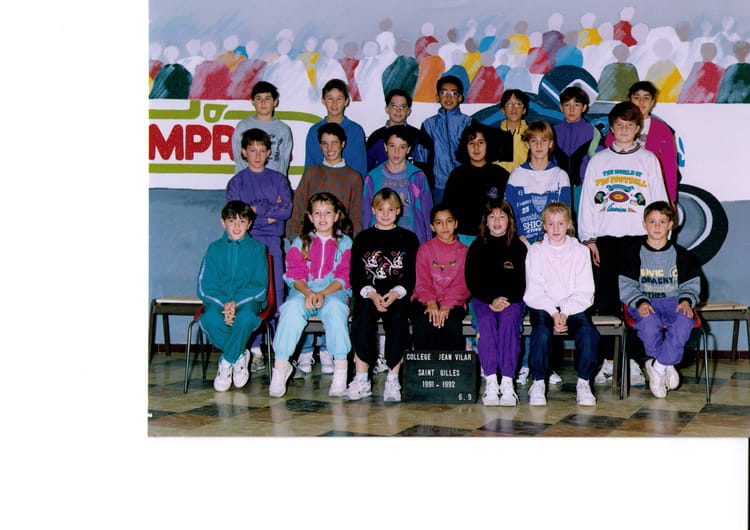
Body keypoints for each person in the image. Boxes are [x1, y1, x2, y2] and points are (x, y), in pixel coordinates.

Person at [579, 101, 669, 386]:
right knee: (605, 301)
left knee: (637, 302)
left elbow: (659, 202)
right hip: (605, 241)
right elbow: (587, 203)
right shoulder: (599, 161)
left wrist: (658, 239)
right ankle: (608, 361)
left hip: (638, 241)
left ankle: (633, 360)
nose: (624, 130)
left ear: (638, 128)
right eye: (619, 125)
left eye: (630, 125)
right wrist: (589, 240)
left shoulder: (648, 160)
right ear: (612, 128)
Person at [269, 193, 354, 398]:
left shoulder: (346, 243)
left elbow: (344, 274)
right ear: (310, 217)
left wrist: (323, 293)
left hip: (333, 291)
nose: (322, 217)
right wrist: (308, 292)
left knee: (336, 310)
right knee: (290, 309)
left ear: (336, 216)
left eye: (327, 213)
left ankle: (340, 370)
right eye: (317, 213)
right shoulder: (301, 242)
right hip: (304, 291)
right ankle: (280, 367)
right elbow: (294, 273)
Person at [619, 201, 701, 398]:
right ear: (644, 224)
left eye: (662, 222)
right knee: (649, 323)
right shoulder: (633, 253)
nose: (657, 226)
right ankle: (666, 363)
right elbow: (627, 284)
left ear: (670, 224)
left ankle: (658, 365)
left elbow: (691, 284)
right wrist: (641, 302)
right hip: (644, 302)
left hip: (674, 301)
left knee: (684, 321)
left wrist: (686, 301)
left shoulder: (682, 255)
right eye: (652, 221)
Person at [226, 128, 293, 371]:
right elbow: (237, 217)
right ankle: (254, 350)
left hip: (273, 245)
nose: (257, 155)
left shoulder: (278, 180)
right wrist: (269, 214)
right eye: (252, 150)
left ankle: (281, 350)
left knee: (278, 296)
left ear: (269, 153)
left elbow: (286, 210)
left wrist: (255, 211)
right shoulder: (236, 182)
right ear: (244, 152)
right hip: (246, 247)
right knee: (250, 296)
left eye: (262, 151)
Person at [345, 188, 420, 402]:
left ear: (398, 211)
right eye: (380, 209)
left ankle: (393, 378)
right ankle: (362, 378)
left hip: (397, 295)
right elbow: (356, 275)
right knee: (361, 319)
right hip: (369, 294)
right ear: (372, 210)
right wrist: (371, 294)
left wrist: (396, 293)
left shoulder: (409, 238)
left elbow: (412, 275)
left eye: (390, 209)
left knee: (398, 320)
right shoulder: (362, 238)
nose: (385, 214)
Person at [524, 202, 599, 406]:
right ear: (544, 226)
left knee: (588, 332)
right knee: (541, 332)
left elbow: (585, 291)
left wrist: (565, 312)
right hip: (544, 304)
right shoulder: (536, 251)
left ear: (569, 224)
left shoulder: (580, 251)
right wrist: (554, 313)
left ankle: (584, 383)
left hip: (573, 305)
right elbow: (534, 290)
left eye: (560, 223)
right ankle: (538, 381)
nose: (555, 228)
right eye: (550, 224)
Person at [196, 201, 268, 392]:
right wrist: (224, 303)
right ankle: (239, 354)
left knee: (245, 319)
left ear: (249, 224)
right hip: (218, 302)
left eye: (242, 221)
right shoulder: (214, 248)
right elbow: (205, 284)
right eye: (231, 221)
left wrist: (235, 304)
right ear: (223, 222)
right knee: (210, 319)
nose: (237, 226)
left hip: (248, 301)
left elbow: (260, 286)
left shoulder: (257, 248)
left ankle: (227, 361)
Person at [465, 199, 527, 406]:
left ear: (509, 220)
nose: (497, 221)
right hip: (483, 300)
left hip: (512, 300)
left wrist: (504, 300)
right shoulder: (477, 246)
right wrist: (491, 299)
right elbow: (472, 280)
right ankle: (491, 381)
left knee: (509, 323)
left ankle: (508, 382)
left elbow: (523, 281)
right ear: (486, 221)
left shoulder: (518, 247)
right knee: (487, 323)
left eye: (502, 216)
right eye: (492, 217)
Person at [605, 81, 679, 203]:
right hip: (621, 185)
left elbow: (669, 168)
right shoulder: (619, 128)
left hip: (651, 189)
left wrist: (670, 200)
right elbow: (609, 159)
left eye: (646, 98)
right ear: (629, 100)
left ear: (652, 102)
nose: (641, 102)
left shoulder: (663, 130)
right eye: (636, 97)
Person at [288, 122, 363, 240]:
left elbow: (356, 215)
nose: (329, 148)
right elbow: (299, 207)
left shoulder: (354, 177)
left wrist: (352, 242)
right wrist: (295, 236)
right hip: (310, 239)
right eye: (325, 143)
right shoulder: (311, 173)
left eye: (334, 143)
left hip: (341, 241)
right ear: (320, 145)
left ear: (343, 144)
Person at [411, 205, 471, 350]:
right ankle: (424, 364)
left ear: (456, 223)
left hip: (454, 302)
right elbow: (422, 281)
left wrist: (446, 305)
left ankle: (450, 364)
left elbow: (462, 285)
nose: (445, 226)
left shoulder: (465, 252)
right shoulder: (425, 249)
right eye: (439, 222)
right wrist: (431, 302)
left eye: (449, 221)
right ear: (432, 227)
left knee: (450, 323)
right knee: (423, 321)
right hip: (424, 300)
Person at [363, 125, 434, 244]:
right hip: (380, 239)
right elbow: (366, 214)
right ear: (385, 147)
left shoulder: (418, 176)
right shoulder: (372, 178)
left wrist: (428, 243)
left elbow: (427, 213)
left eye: (402, 147)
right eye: (392, 146)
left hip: (412, 239)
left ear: (408, 149)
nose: (396, 152)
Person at [443, 122, 510, 247]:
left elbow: (508, 211)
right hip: (463, 239)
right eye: (471, 143)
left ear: (488, 145)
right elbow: (448, 210)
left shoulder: (501, 175)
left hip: (494, 237)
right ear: (465, 147)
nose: (476, 148)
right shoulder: (457, 175)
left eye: (481, 142)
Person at [505, 121, 571, 246]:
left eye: (544, 140)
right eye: (534, 141)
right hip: (523, 242)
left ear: (550, 144)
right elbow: (511, 212)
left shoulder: (561, 176)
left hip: (553, 242)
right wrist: (522, 238)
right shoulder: (516, 175)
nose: (539, 145)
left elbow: (565, 214)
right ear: (527, 144)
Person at [412, 75, 475, 204]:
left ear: (460, 98)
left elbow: (476, 155)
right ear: (437, 97)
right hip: (437, 187)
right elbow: (420, 159)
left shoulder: (468, 123)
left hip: (464, 185)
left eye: (453, 93)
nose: (448, 97)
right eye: (444, 93)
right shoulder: (429, 125)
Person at [552, 86, 602, 215]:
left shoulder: (592, 132)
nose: (572, 109)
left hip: (583, 189)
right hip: (557, 187)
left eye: (577, 105)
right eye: (567, 105)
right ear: (561, 107)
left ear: (584, 108)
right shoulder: (553, 132)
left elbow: (599, 162)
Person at [304, 78, 367, 181]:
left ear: (346, 101)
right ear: (323, 100)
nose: (334, 103)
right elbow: (310, 167)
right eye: (330, 98)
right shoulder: (314, 131)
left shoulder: (356, 131)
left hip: (348, 186)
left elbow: (360, 169)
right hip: (320, 187)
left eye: (339, 99)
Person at [231, 81, 293, 176]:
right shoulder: (243, 126)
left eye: (267, 98)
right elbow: (238, 157)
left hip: (274, 181)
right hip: (248, 180)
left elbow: (284, 160)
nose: (263, 102)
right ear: (252, 101)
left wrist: (280, 181)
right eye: (259, 98)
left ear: (275, 102)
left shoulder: (283, 129)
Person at [365, 88, 428, 173]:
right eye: (394, 106)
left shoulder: (418, 137)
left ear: (408, 111)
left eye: (403, 106)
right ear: (387, 109)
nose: (398, 110)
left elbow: (424, 168)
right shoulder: (376, 137)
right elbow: (367, 169)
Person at [495, 89, 530, 173]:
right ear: (503, 110)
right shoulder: (493, 135)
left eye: (518, 104)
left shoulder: (531, 134)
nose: (514, 108)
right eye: (509, 104)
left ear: (524, 110)